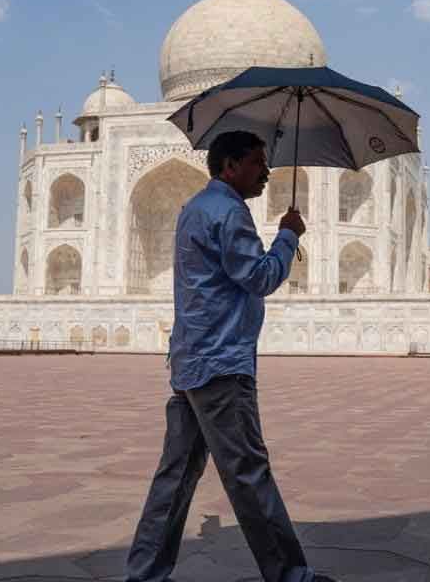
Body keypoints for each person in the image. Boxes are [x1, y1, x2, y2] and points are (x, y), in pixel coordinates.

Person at [125, 131, 336, 582]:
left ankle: (143, 575)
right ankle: (291, 576)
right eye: (258, 163)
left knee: (175, 477)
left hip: (189, 362)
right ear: (229, 166)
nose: (266, 172)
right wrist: (287, 236)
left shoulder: (194, 208)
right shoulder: (229, 212)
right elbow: (258, 278)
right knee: (247, 473)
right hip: (221, 364)